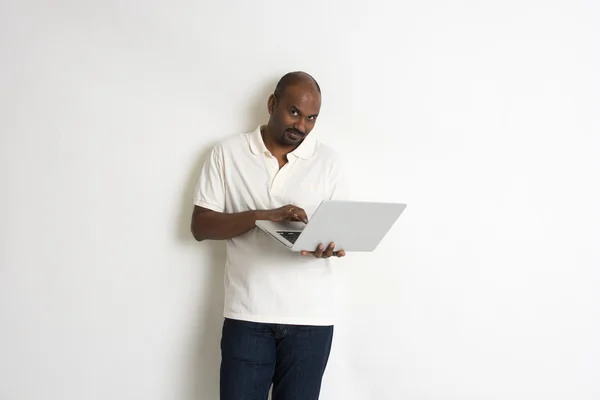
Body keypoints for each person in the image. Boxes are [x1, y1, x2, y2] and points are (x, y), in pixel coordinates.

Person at [191, 71, 348, 400]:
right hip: (247, 314)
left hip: (311, 318)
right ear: (272, 103)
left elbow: (340, 229)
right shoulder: (228, 153)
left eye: (311, 118)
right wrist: (264, 216)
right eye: (294, 112)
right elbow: (201, 226)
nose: (301, 126)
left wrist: (330, 245)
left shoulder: (329, 162)